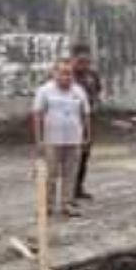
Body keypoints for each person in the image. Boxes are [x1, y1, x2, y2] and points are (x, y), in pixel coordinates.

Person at [32, 58, 91, 218]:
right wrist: (38, 140)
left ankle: (67, 203)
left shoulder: (79, 91)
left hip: (74, 138)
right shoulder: (45, 90)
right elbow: (37, 115)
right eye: (63, 73)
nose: (66, 77)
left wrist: (87, 135)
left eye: (69, 74)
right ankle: (47, 205)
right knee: (50, 174)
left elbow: (85, 114)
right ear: (54, 73)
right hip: (52, 139)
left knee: (70, 174)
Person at [70, 43, 102, 200]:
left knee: (84, 156)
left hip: (87, 121)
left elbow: (97, 92)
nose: (84, 64)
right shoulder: (65, 74)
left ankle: (77, 188)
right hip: (69, 121)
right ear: (73, 59)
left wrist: (94, 105)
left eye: (87, 61)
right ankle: (66, 191)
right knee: (69, 158)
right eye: (80, 61)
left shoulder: (92, 75)